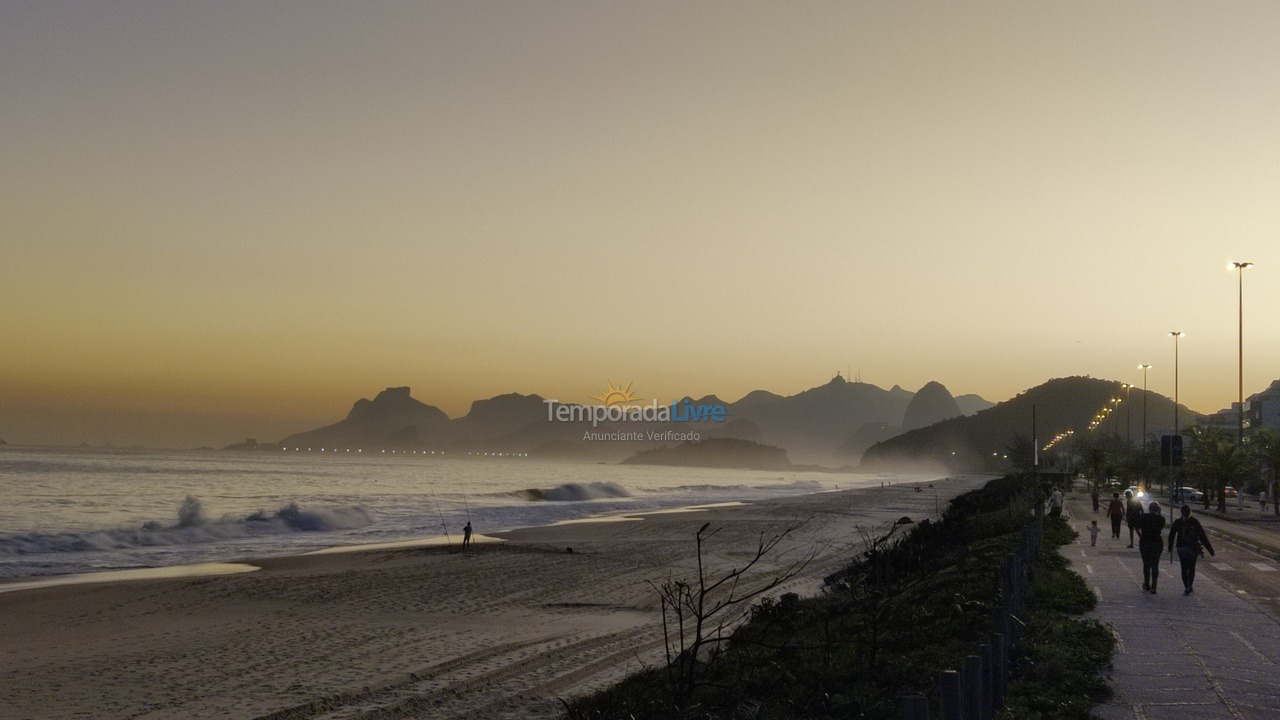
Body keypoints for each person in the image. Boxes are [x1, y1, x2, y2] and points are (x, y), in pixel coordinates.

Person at [1168, 504, 1215, 595]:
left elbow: (1172, 535)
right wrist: (1210, 550)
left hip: (1181, 548)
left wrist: (1170, 547)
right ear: (1190, 512)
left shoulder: (1178, 522)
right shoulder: (1194, 521)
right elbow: (1202, 536)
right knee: (1192, 568)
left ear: (1181, 512)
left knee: (1184, 568)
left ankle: (1186, 587)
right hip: (1193, 548)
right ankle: (1190, 586)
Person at [1135, 502, 1165, 593]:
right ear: (1157, 509)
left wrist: (1141, 536)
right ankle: (1154, 586)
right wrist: (1159, 513)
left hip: (1145, 542)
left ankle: (1146, 583)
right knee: (1155, 565)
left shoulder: (1143, 517)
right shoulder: (1160, 518)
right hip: (1157, 543)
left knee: (1146, 564)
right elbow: (1161, 526)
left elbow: (1136, 528)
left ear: (1149, 508)